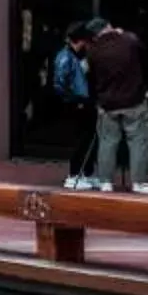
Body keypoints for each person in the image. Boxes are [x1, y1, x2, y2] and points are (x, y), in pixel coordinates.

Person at [74, 15, 148, 196]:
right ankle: (140, 182)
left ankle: (105, 181)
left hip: (107, 104)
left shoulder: (93, 51)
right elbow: (146, 58)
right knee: (138, 142)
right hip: (134, 100)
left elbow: (90, 75)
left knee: (107, 142)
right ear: (109, 26)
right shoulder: (129, 40)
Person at [53, 27, 98, 190]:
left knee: (87, 138)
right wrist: (73, 99)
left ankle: (86, 173)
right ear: (81, 40)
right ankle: (74, 175)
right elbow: (59, 83)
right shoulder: (65, 57)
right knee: (80, 140)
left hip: (83, 101)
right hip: (76, 102)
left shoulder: (74, 56)